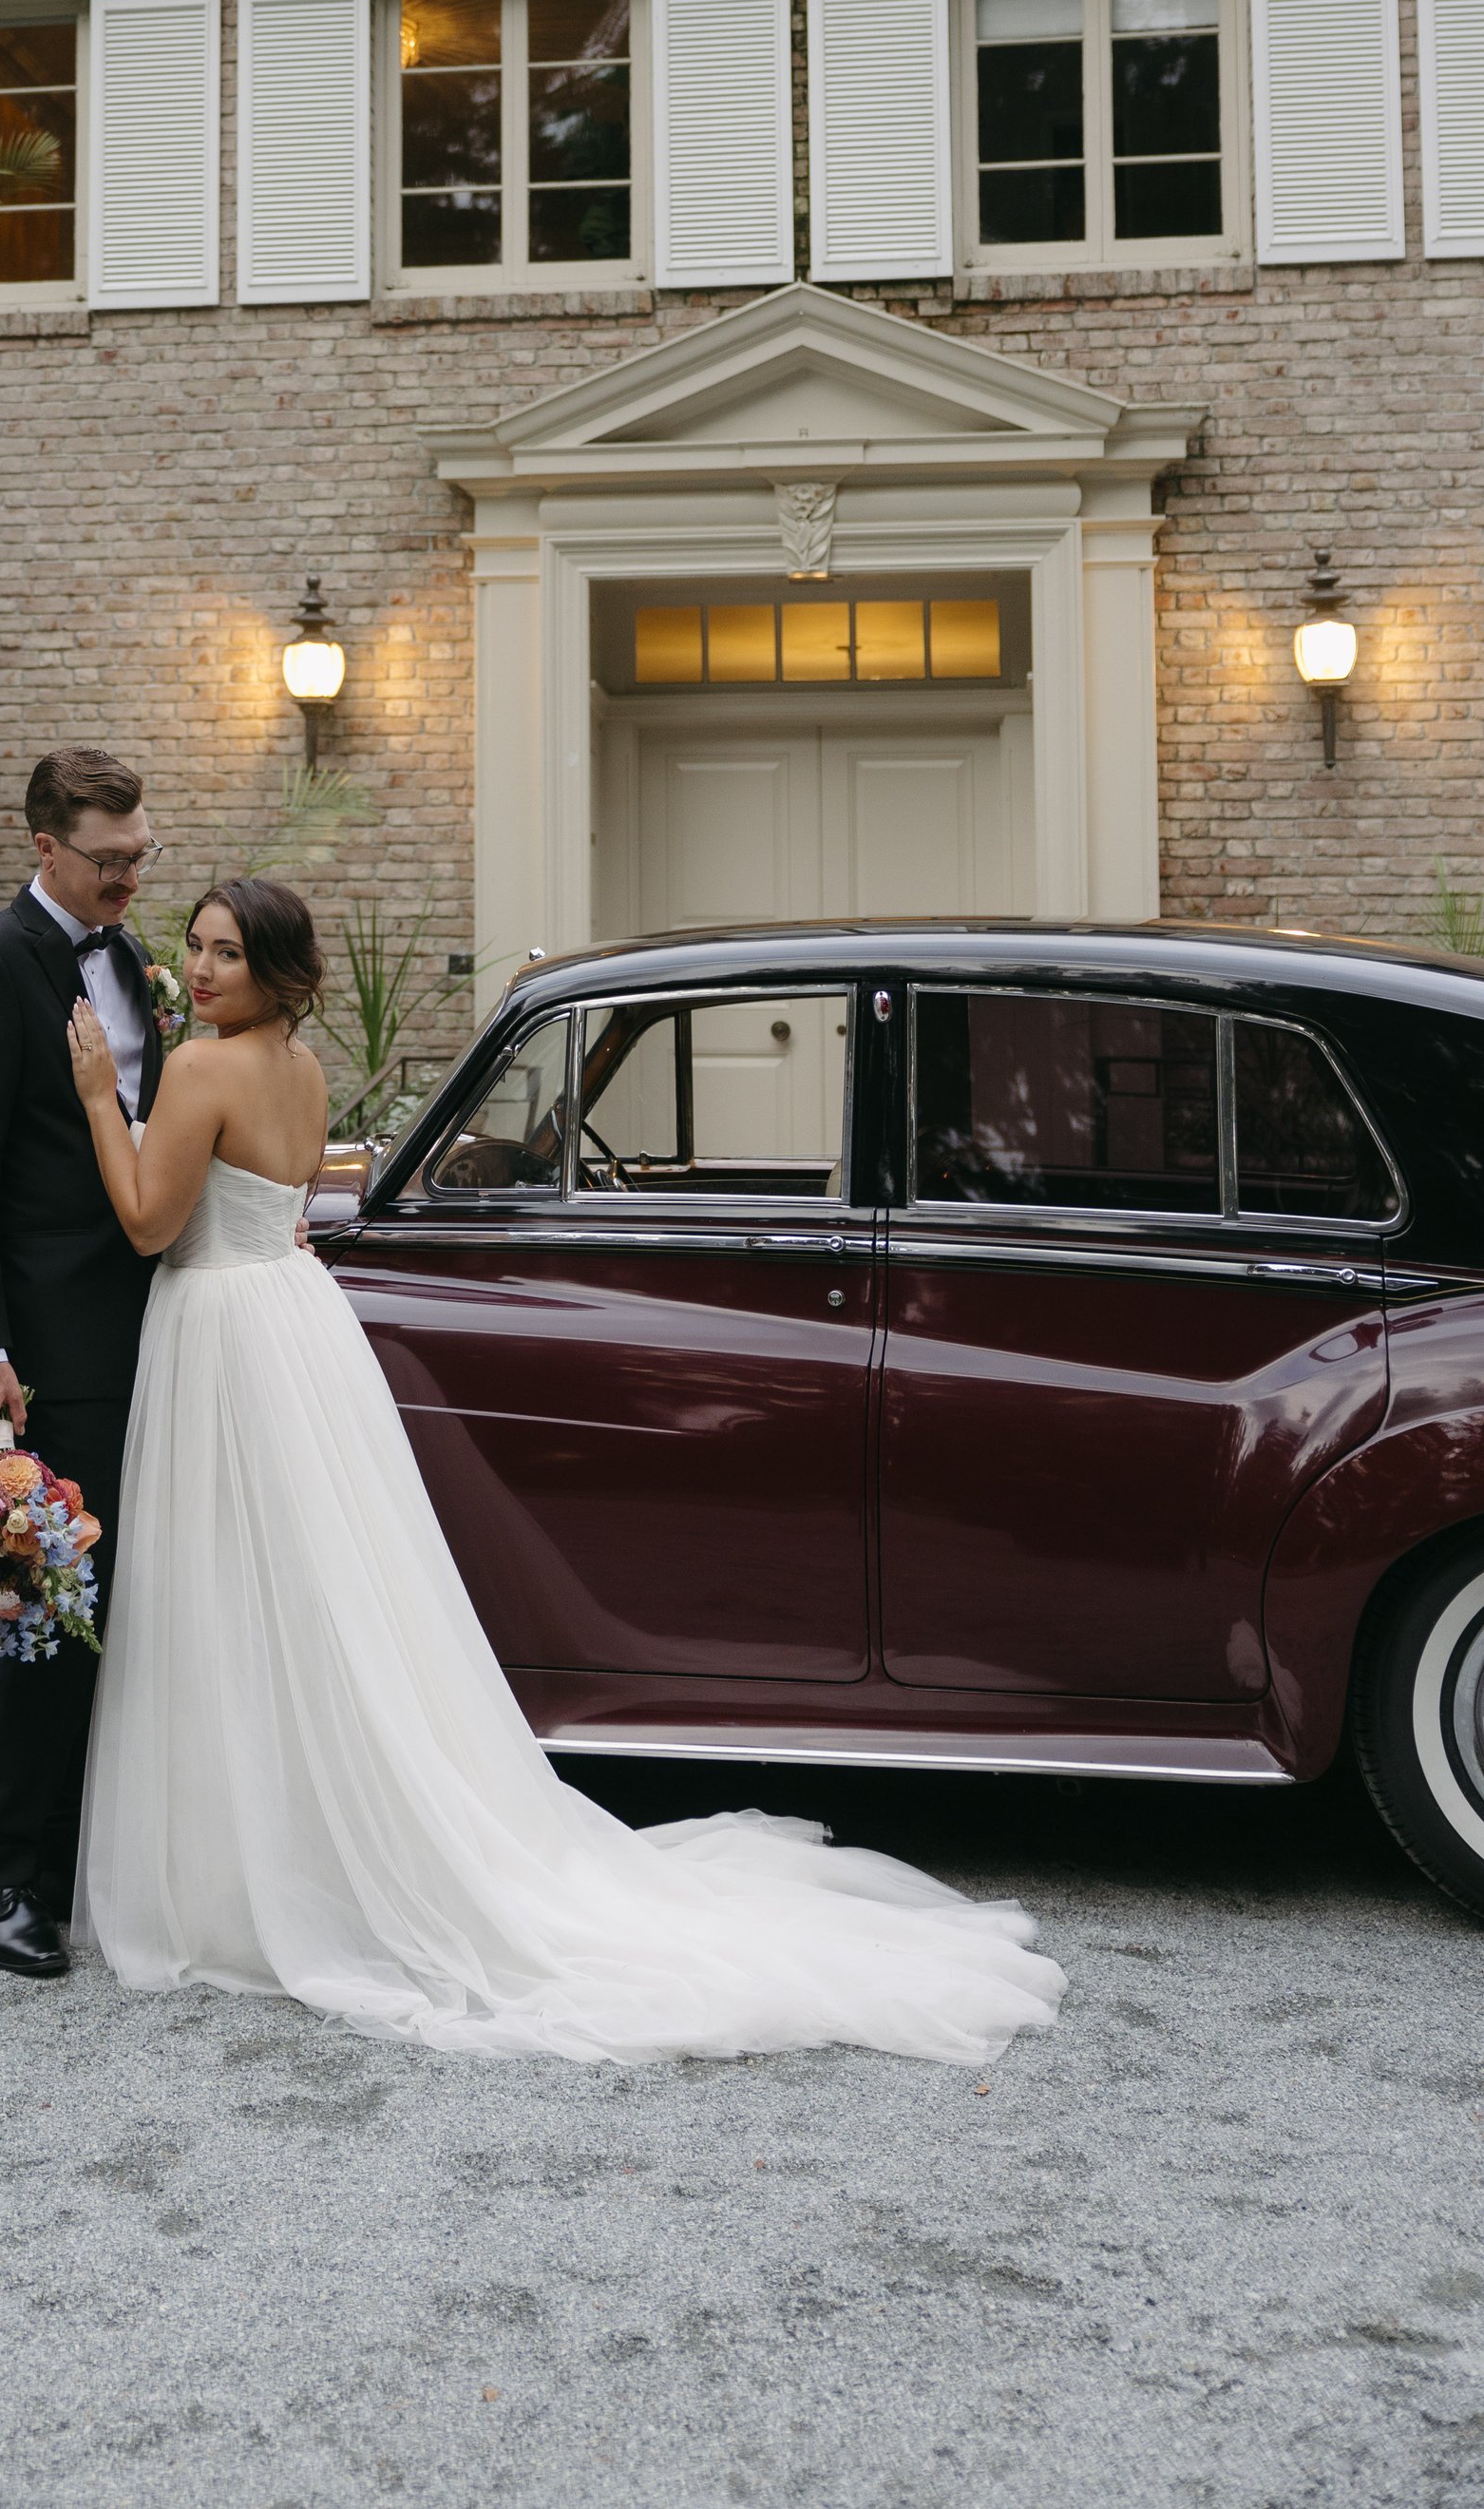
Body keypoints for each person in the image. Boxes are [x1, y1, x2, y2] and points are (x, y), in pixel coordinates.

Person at [63, 873, 1067, 2067]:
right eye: (200, 948)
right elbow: (279, 1215)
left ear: (274, 969)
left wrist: (94, 1101)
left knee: (235, 1593)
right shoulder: (299, 1069)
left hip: (223, 1329)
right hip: (295, 1324)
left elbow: (141, 1222)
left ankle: (241, 1869)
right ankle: (296, 1837)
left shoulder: (196, 1070)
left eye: (227, 952)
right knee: (319, 1594)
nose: (206, 968)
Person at [0, 745, 163, 1979]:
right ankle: (9, 1881)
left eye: (139, 854)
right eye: (108, 858)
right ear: (46, 847)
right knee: (50, 1615)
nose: (128, 876)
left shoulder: (130, 962)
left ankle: (100, 1860)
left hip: (153, 1332)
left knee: (135, 1608)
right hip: (52, 1349)